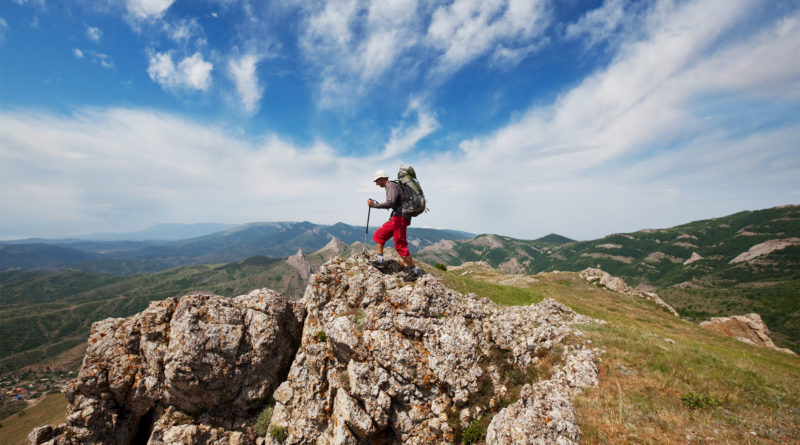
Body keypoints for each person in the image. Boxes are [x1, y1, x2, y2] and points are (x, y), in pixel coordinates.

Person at [368, 169, 422, 282]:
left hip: (400, 217)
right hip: (397, 217)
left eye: (377, 181)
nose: (376, 184)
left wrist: (374, 205)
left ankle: (414, 272)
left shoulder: (391, 185)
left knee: (400, 245)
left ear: (382, 178)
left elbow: (390, 203)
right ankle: (380, 261)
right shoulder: (392, 185)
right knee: (379, 234)